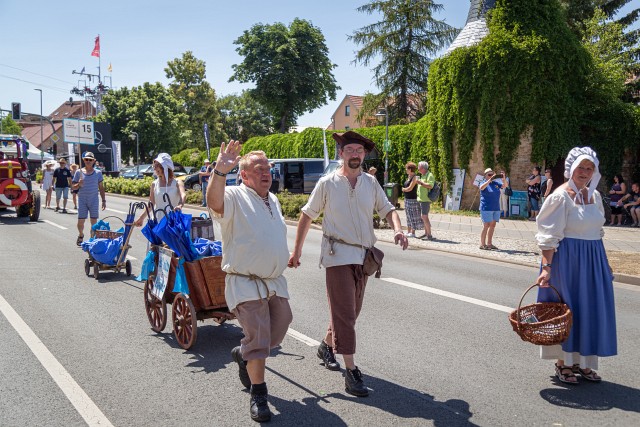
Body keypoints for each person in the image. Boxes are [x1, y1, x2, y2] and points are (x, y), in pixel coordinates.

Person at [288, 130, 408, 397]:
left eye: (359, 151)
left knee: (351, 312)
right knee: (344, 313)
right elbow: (307, 216)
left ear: (364, 155)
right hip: (337, 255)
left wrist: (398, 229)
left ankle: (326, 345)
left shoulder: (370, 183)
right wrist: (296, 252)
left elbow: (388, 209)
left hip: (363, 257)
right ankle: (351, 372)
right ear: (341, 154)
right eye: (350, 150)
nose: (355, 155)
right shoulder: (327, 183)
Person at [207, 143, 292, 423]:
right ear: (244, 175)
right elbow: (214, 204)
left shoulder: (274, 199)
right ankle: (259, 394)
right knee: (259, 338)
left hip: (274, 282)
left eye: (268, 168)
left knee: (277, 331)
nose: (267, 173)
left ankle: (243, 353)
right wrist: (220, 171)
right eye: (259, 169)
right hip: (245, 282)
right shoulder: (233, 195)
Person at [535, 146, 616, 384]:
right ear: (571, 168)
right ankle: (563, 363)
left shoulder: (596, 196)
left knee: (590, 310)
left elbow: (597, 232)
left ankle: (583, 363)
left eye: (590, 168)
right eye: (581, 167)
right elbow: (548, 236)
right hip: (566, 262)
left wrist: (605, 263)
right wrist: (547, 268)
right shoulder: (560, 197)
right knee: (568, 312)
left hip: (593, 260)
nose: (585, 172)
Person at [134, 153, 186, 226]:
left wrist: (180, 205)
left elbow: (183, 195)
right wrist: (141, 218)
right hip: (157, 221)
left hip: (173, 221)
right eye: (154, 166)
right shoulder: (154, 184)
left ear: (165, 167)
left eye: (157, 165)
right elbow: (151, 203)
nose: (155, 168)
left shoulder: (177, 183)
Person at [72, 152, 106, 246]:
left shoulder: (98, 173)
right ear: (83, 160)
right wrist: (79, 184)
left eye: (90, 160)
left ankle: (92, 239)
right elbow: (73, 187)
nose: (88, 161)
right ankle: (81, 234)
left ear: (94, 161)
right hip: (82, 199)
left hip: (94, 199)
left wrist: (103, 200)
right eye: (86, 159)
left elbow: (101, 188)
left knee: (94, 221)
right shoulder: (79, 172)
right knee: (81, 221)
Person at [479, 168, 506, 250]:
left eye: (492, 174)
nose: (491, 176)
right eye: (489, 175)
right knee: (486, 225)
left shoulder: (495, 183)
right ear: (485, 176)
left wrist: (503, 179)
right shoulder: (483, 182)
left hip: (495, 207)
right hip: (486, 208)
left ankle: (489, 243)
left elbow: (505, 186)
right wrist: (489, 180)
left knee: (493, 225)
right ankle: (482, 244)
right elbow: (481, 188)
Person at [415, 161, 435, 240]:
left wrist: (421, 183)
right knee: (424, 217)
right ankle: (426, 233)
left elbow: (430, 185)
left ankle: (429, 235)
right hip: (421, 199)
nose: (418, 169)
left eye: (419, 167)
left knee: (424, 216)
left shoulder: (429, 175)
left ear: (423, 168)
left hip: (425, 200)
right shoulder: (423, 175)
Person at [401, 162, 422, 238]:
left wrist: (404, 189)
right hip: (407, 199)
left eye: (407, 168)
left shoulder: (415, 177)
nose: (406, 170)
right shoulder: (409, 176)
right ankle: (409, 232)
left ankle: (413, 232)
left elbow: (410, 188)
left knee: (413, 216)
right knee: (408, 216)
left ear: (410, 169)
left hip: (413, 199)